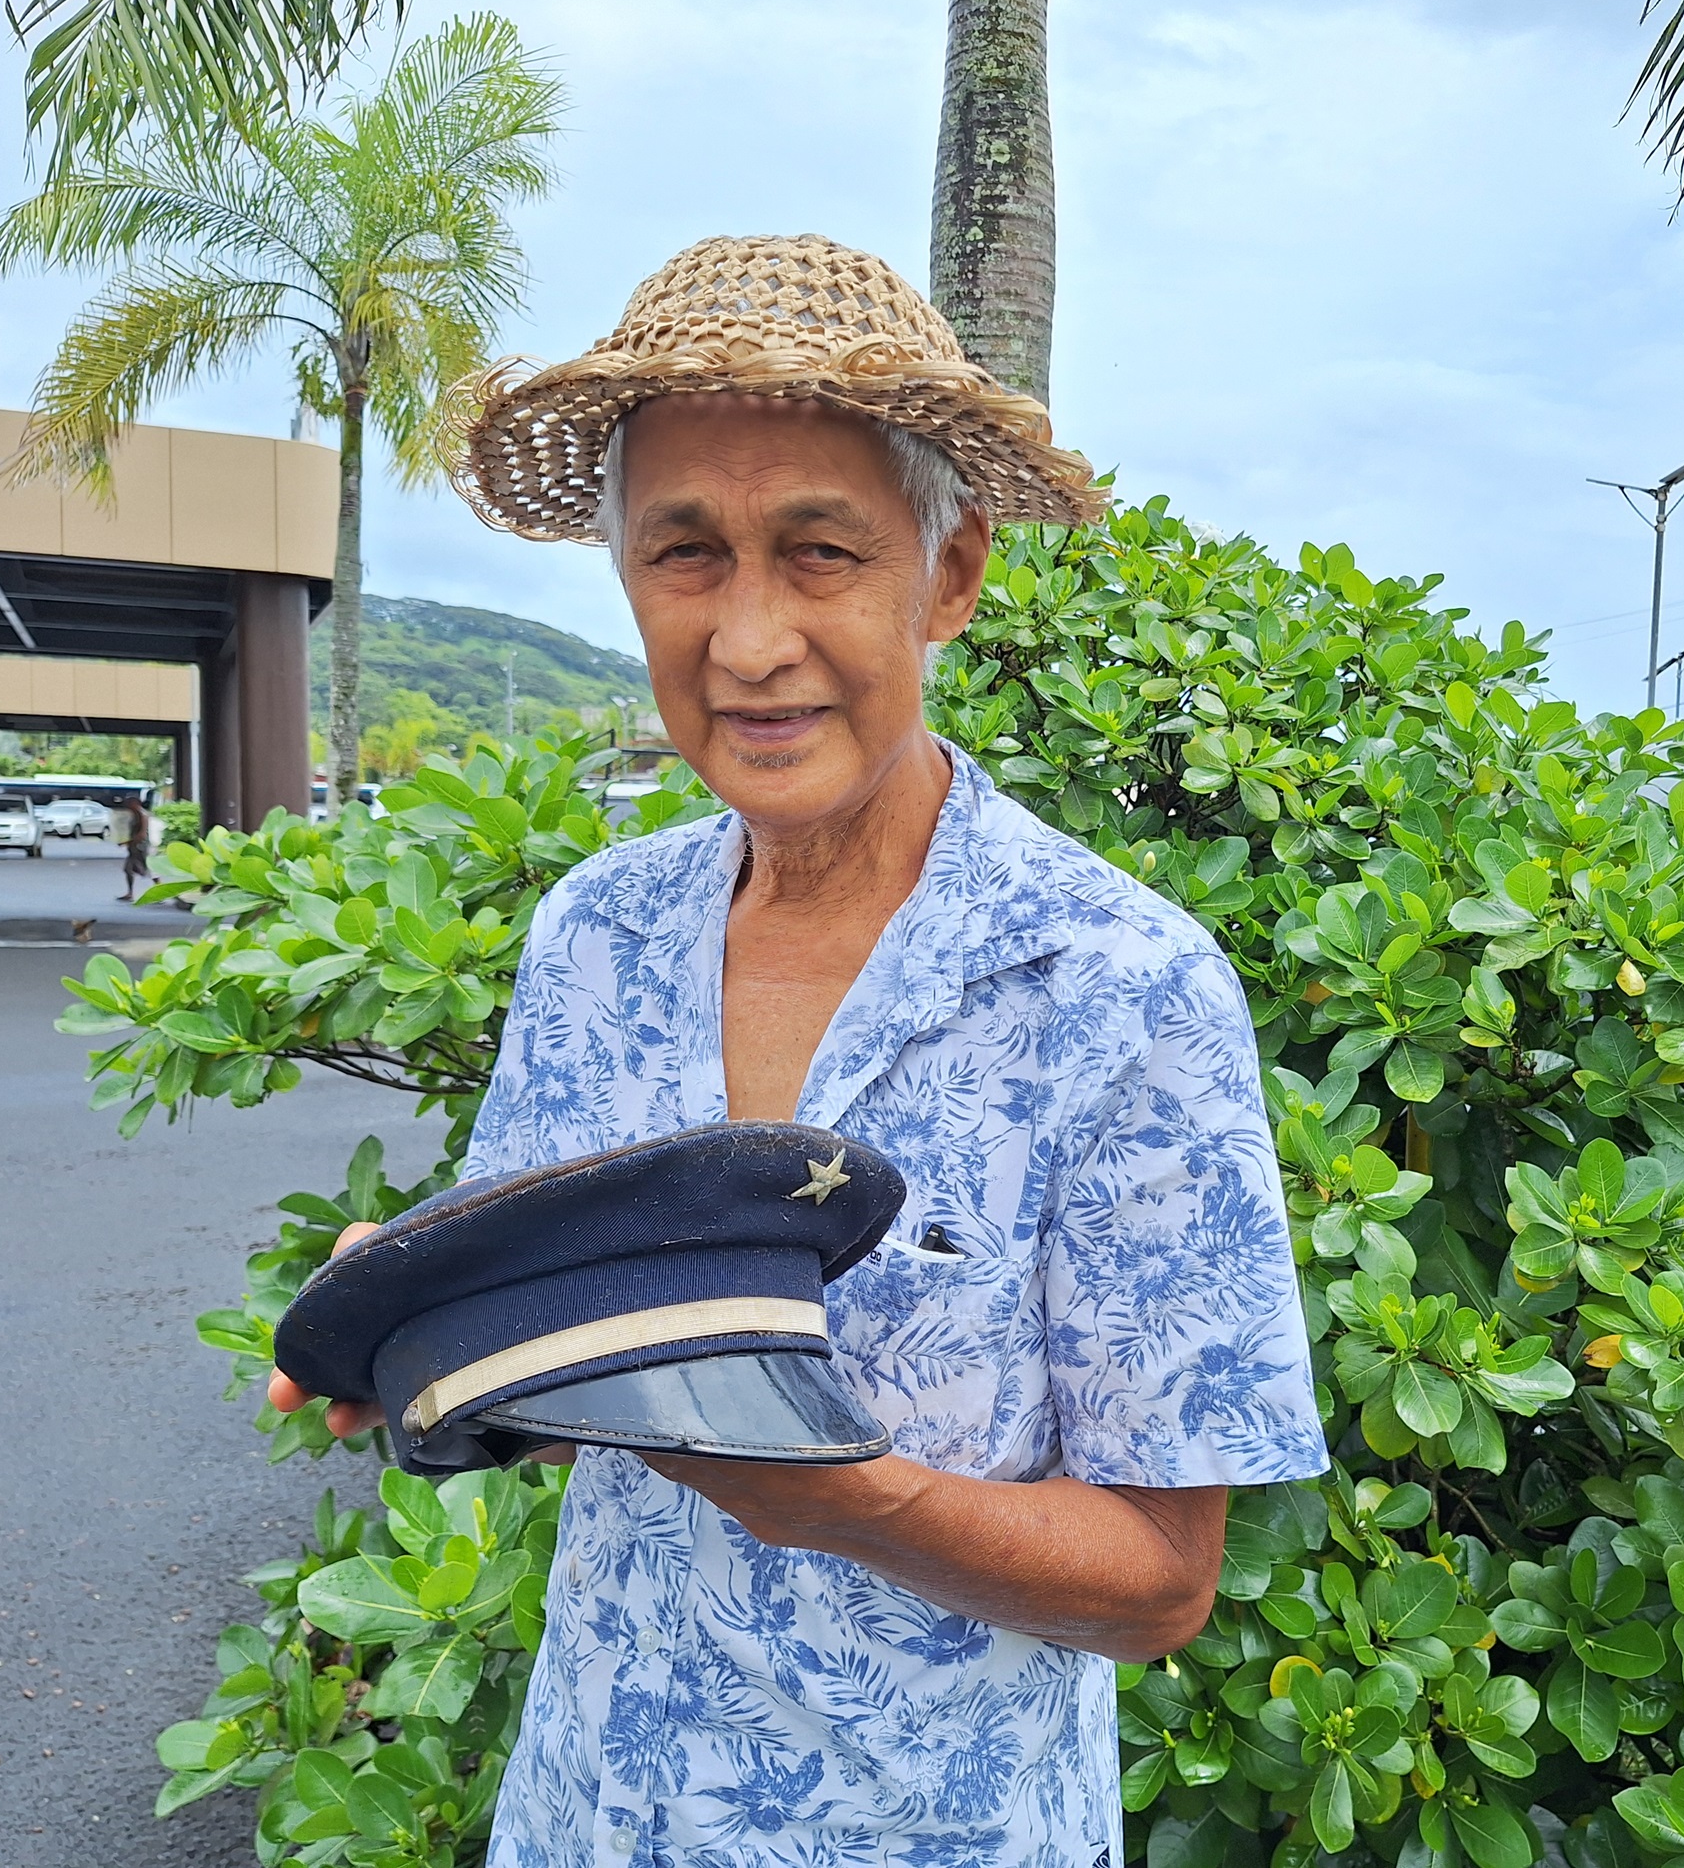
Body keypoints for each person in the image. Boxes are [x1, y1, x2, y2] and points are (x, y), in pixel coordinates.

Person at [269, 235, 1326, 1866]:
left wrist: (844, 1496)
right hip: (593, 1811)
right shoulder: (596, 937)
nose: (750, 642)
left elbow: (1163, 1583)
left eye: (820, 552)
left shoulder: (1119, 987)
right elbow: (574, 1365)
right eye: (686, 556)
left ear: (948, 576)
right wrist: (426, 1329)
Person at [113, 793, 152, 901]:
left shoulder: (142, 815)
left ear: (135, 803)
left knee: (148, 869)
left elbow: (142, 834)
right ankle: (130, 893)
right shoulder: (134, 814)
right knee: (128, 869)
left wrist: (129, 842)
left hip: (140, 847)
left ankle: (161, 889)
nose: (127, 805)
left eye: (129, 803)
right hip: (134, 847)